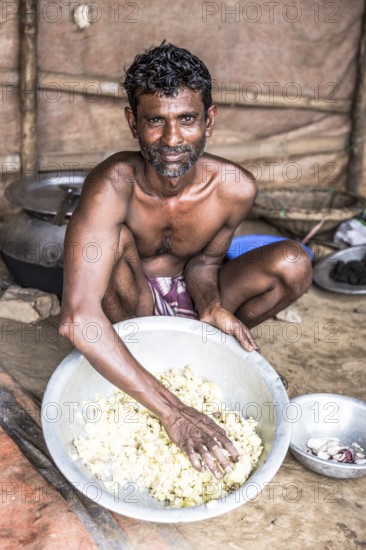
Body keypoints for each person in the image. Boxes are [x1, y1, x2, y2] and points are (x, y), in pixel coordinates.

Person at [59, 42, 312, 479]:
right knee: (115, 241)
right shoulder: (111, 185)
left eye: (187, 119)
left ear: (208, 119)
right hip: (130, 306)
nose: (172, 140)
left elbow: (205, 264)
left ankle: (213, 355)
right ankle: (151, 375)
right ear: (132, 122)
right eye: (155, 120)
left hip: (192, 305)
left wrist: (212, 303)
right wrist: (176, 414)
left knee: (293, 261)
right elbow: (78, 319)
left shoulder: (235, 188)